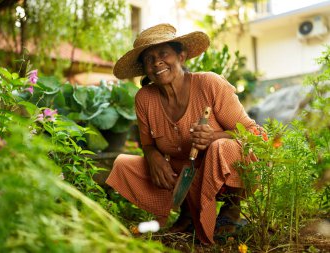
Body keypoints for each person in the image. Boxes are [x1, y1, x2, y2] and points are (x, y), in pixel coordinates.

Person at [106, 23, 262, 244]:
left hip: (223, 177)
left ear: (181, 55)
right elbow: (147, 144)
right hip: (183, 178)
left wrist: (213, 137)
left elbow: (253, 132)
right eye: (148, 59)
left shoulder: (209, 83)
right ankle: (188, 212)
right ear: (144, 69)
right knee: (123, 163)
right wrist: (152, 156)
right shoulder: (144, 98)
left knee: (222, 146)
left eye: (163, 54)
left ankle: (231, 211)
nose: (156, 62)